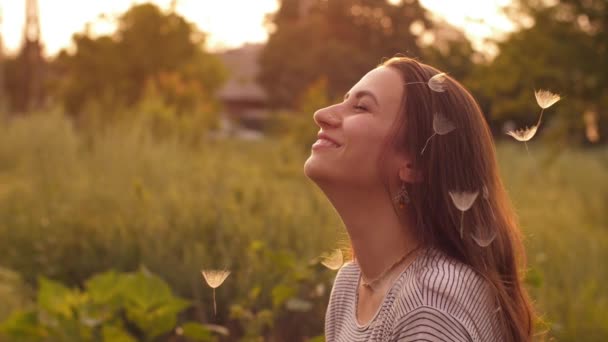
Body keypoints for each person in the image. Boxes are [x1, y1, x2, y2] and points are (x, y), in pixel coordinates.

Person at [303, 57, 534, 341]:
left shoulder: (431, 302)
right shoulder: (350, 285)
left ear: (414, 164)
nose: (321, 114)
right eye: (344, 100)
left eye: (361, 107)